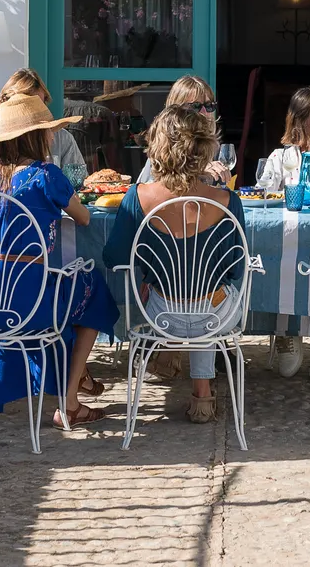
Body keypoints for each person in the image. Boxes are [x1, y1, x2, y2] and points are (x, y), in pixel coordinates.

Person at [0, 93, 119, 428]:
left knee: (72, 287)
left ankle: (76, 379)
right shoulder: (46, 174)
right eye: (48, 130)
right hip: (28, 299)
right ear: (36, 136)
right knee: (92, 286)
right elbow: (82, 218)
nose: (53, 135)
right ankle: (70, 400)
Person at [103, 107, 247, 424]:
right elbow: (236, 265)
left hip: (161, 313)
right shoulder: (226, 200)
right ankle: (202, 394)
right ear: (204, 148)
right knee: (212, 296)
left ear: (158, 147)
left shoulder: (136, 196)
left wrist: (151, 273)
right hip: (215, 315)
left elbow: (114, 257)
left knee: (187, 293)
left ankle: (172, 356)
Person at [254, 85, 310, 379]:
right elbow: (262, 196)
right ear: (302, 120)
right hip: (288, 243)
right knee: (279, 261)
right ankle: (288, 332)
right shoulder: (281, 158)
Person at [134, 75, 233, 186]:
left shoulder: (213, 146)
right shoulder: (164, 146)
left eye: (209, 105)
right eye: (196, 106)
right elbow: (148, 188)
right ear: (176, 111)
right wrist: (197, 170)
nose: (204, 112)